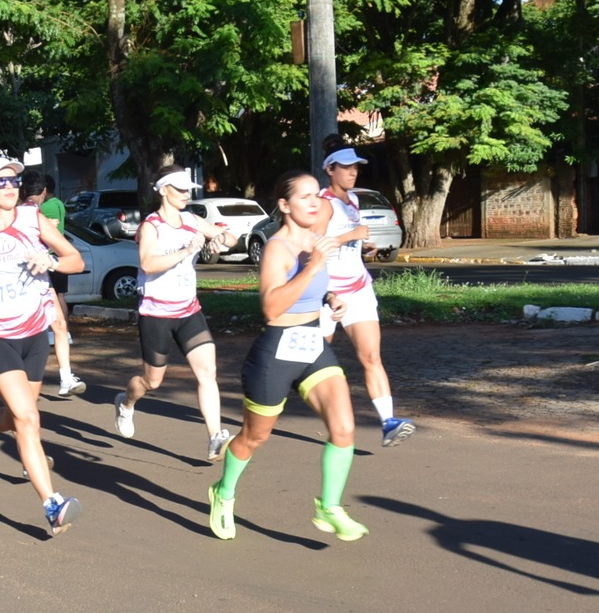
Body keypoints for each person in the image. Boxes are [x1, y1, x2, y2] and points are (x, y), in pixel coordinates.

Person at [208, 170, 368, 543]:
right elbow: (271, 307)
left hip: (313, 345)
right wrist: (311, 265)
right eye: (305, 197)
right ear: (284, 205)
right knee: (254, 437)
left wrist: (330, 298)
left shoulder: (317, 239)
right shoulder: (278, 249)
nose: (315, 202)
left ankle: (329, 507)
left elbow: (313, 288)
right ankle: (223, 492)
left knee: (344, 428)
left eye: (317, 196)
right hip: (276, 352)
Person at [0, 156, 87, 536]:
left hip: (34, 334)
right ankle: (52, 504)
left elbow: (74, 260)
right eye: (0, 181)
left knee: (15, 416)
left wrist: (51, 260)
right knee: (28, 420)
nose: (10, 186)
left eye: (13, 181)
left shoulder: (32, 219)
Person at [111, 169, 235, 460]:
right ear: (163, 190)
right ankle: (126, 403)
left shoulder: (192, 220)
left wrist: (221, 240)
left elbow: (229, 237)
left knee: (207, 372)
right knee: (152, 382)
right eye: (179, 189)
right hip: (156, 314)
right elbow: (148, 263)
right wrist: (186, 250)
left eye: (188, 189)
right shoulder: (151, 226)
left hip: (189, 310)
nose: (186, 194)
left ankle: (215, 436)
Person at [320, 147, 414, 446]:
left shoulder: (355, 200)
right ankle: (266, 407)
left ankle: (388, 422)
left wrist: (362, 246)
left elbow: (349, 239)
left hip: (358, 286)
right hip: (327, 290)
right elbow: (315, 246)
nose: (352, 172)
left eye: (356, 167)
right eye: (346, 167)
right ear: (330, 169)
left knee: (372, 356)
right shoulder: (323, 204)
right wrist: (352, 236)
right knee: (310, 360)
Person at [20, 171, 84, 398]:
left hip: (42, 277)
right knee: (23, 332)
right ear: (43, 191)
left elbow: (73, 258)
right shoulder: (16, 214)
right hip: (18, 281)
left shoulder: (41, 213)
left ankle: (66, 377)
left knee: (59, 324)